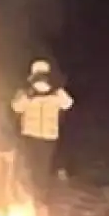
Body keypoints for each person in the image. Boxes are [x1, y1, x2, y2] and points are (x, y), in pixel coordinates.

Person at [11, 58, 73, 196]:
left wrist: (56, 90)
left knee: (42, 169)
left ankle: (40, 196)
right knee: (30, 167)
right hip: (30, 135)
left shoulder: (56, 93)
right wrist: (28, 95)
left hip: (48, 136)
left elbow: (68, 103)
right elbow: (16, 107)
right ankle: (29, 195)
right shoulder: (25, 92)